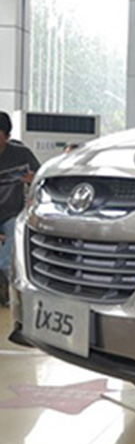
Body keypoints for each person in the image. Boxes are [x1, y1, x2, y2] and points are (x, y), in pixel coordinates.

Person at [0, 112, 40, 305]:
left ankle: (14, 297)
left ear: (7, 136)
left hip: (10, 214)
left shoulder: (21, 154)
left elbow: (40, 180)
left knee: (8, 258)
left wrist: (32, 181)